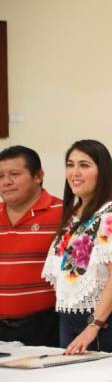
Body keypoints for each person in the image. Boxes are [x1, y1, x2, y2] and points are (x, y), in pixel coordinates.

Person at [42, 140, 112, 354]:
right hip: (70, 319)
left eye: (84, 165)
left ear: (102, 172)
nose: (75, 172)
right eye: (70, 164)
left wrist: (94, 325)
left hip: (104, 323)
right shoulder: (74, 213)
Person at [0, 146, 62, 347]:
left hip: (46, 327)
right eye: (0, 176)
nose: (6, 182)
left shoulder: (64, 213)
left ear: (38, 176)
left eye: (14, 174)